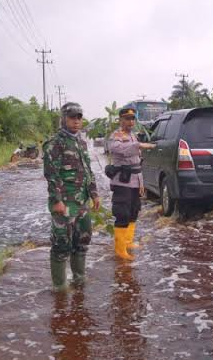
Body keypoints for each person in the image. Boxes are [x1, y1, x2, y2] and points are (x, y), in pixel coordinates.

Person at [43, 102, 101, 290]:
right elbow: (52, 175)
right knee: (61, 244)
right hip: (65, 203)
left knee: (82, 241)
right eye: (72, 117)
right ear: (64, 119)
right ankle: (60, 288)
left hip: (82, 202)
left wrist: (94, 194)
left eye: (79, 117)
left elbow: (87, 171)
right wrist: (57, 201)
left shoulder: (81, 142)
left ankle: (79, 279)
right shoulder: (55, 143)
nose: (76, 121)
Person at [108, 106, 156, 260]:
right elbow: (117, 149)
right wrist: (138, 145)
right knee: (122, 213)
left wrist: (141, 183)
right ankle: (120, 249)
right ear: (120, 120)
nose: (130, 122)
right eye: (127, 119)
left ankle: (128, 242)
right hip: (122, 182)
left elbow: (137, 163)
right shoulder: (116, 136)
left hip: (135, 180)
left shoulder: (133, 135)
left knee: (134, 212)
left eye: (132, 119)